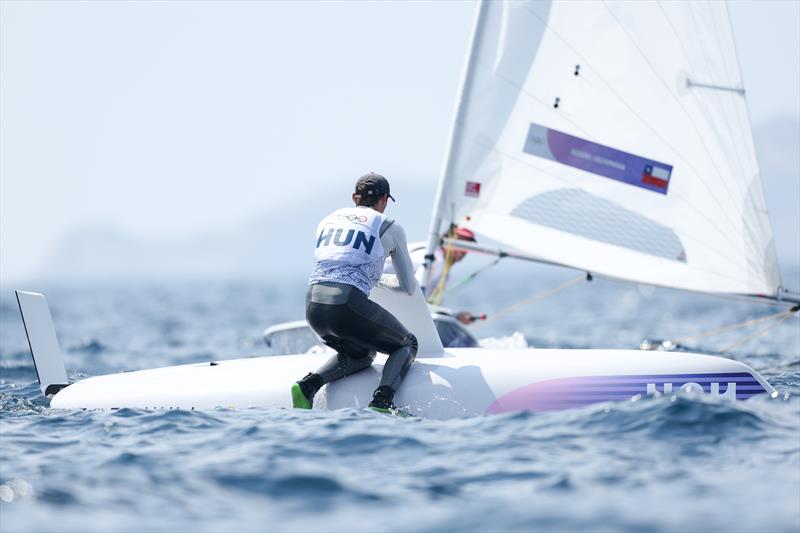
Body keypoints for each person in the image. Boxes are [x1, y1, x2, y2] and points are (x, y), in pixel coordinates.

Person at [291, 172, 419, 413]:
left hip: (313, 306)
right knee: (407, 344)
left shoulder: (327, 220)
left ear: (354, 198)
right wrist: (379, 280)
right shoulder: (390, 226)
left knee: (362, 353)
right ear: (384, 200)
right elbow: (408, 287)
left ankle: (308, 385)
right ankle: (382, 402)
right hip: (346, 305)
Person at [385, 225, 479, 324]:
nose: (462, 249)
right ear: (447, 239)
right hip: (382, 293)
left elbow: (433, 306)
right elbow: (415, 292)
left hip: (391, 298)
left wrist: (456, 317)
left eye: (467, 245)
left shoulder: (441, 265)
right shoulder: (435, 259)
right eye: (459, 242)